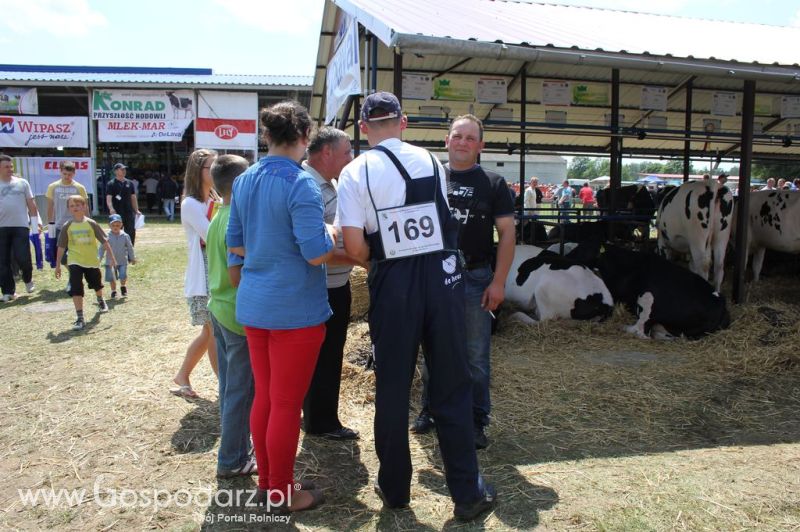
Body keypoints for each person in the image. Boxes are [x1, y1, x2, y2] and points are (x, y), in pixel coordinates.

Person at [336, 91, 496, 521]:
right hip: (442, 278)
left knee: (392, 386)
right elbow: (444, 223)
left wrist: (381, 262)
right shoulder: (429, 159)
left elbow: (352, 245)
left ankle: (395, 490)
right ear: (403, 122)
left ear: (365, 128)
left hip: (393, 281)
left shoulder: (354, 172)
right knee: (451, 383)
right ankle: (467, 493)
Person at [227, 100, 333, 512]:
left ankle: (270, 483)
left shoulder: (243, 181)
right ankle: (282, 493)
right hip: (295, 311)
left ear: (267, 136)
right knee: (287, 405)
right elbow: (314, 253)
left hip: (255, 306)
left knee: (266, 399)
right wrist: (331, 231)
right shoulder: (302, 184)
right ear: (306, 138)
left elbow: (234, 243)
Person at [411, 114, 515, 451]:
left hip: (474, 277)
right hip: (435, 277)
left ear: (481, 145)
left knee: (475, 355)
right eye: (458, 136)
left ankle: (476, 419)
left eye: (471, 138)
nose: (463, 142)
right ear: (446, 140)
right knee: (433, 350)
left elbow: (508, 234)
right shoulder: (429, 177)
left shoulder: (494, 183)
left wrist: (499, 282)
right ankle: (430, 409)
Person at [301, 126, 361, 441]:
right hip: (323, 289)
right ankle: (322, 422)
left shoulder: (326, 184)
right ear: (327, 153)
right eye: (347, 151)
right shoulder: (309, 187)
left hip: (333, 286)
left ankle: (314, 414)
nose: (351, 157)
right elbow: (315, 249)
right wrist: (365, 259)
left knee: (323, 354)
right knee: (325, 355)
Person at [206, 155, 257, 479]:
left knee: (230, 387)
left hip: (220, 310)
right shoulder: (236, 222)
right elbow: (242, 271)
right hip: (237, 316)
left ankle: (236, 446)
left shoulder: (218, 217)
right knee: (240, 390)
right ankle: (232, 459)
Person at [171, 149, 220, 399]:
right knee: (212, 331)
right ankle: (224, 383)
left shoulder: (213, 197)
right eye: (211, 166)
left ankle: (182, 375)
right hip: (204, 276)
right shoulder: (190, 203)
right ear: (198, 171)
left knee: (209, 331)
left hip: (214, 271)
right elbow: (211, 234)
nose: (215, 169)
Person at [55, 195, 115, 330]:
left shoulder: (91, 223)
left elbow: (104, 242)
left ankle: (100, 300)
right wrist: (58, 265)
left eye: (78, 205)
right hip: (75, 261)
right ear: (69, 209)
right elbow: (61, 247)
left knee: (96, 284)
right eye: (72, 206)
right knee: (76, 287)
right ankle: (80, 318)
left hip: (91, 261)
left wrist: (111, 258)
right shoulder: (67, 226)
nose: (75, 208)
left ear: (84, 207)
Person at [0, 154, 41, 302]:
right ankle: (8, 291)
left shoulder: (22, 183)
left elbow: (31, 204)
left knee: (23, 256)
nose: (10, 169)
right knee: (2, 261)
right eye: (6, 167)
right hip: (1, 228)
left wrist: (36, 224)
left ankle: (28, 279)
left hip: (21, 226)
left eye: (11, 166)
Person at [46, 160, 88, 266]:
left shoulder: (79, 187)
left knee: (78, 252)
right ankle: (72, 275)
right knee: (62, 256)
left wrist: (86, 222)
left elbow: (85, 206)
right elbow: (50, 206)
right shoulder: (53, 187)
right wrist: (50, 223)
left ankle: (75, 276)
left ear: (74, 174)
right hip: (60, 225)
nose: (67, 176)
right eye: (64, 174)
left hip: (77, 224)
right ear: (60, 172)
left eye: (69, 174)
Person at [99, 214, 135, 299]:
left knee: (123, 275)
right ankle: (113, 291)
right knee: (111, 278)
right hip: (110, 262)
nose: (115, 227)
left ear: (121, 225)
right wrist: (99, 259)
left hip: (122, 261)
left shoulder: (125, 236)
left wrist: (132, 258)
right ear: (109, 225)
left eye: (118, 225)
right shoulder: (106, 236)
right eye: (113, 225)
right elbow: (101, 249)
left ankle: (123, 286)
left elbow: (130, 247)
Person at [105, 163, 141, 245]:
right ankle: (117, 248)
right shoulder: (111, 184)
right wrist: (111, 208)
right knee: (116, 231)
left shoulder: (130, 183)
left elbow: (133, 198)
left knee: (131, 231)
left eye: (124, 169)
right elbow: (109, 198)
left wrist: (136, 210)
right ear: (116, 171)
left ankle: (130, 250)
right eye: (122, 169)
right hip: (117, 212)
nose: (124, 171)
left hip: (128, 211)